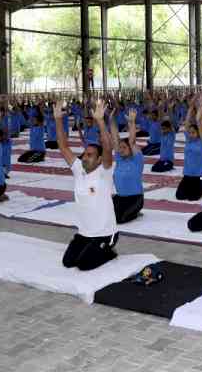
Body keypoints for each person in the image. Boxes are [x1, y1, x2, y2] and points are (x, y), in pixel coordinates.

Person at [55, 100, 118, 271]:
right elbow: (62, 146)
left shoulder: (105, 172)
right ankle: (90, 248)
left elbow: (107, 146)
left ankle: (109, 252)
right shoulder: (78, 170)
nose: (84, 157)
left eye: (90, 155)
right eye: (84, 154)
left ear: (98, 160)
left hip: (105, 233)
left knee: (84, 264)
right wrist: (58, 120)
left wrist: (100, 121)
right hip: (84, 233)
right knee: (68, 262)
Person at [109, 108, 145, 224]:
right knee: (105, 216)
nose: (121, 149)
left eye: (124, 147)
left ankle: (136, 211)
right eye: (120, 148)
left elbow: (132, 141)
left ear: (131, 149)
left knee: (120, 219)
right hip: (120, 197)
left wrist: (131, 123)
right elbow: (115, 138)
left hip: (135, 198)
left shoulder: (136, 160)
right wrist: (111, 120)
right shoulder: (119, 158)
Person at [176, 98, 202, 201]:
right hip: (188, 173)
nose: (190, 134)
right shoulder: (188, 140)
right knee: (180, 196)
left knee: (193, 197)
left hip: (200, 174)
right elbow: (186, 123)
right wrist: (190, 107)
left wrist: (201, 107)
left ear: (199, 133)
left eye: (193, 132)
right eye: (189, 132)